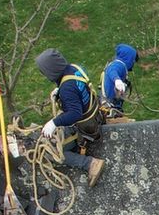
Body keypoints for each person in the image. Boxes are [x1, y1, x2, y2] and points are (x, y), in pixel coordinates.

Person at [35, 48, 106, 187]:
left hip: (84, 128)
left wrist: (54, 123)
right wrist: (60, 91)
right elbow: (77, 88)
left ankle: (90, 163)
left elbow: (75, 114)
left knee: (50, 152)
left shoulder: (67, 88)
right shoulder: (74, 68)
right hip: (94, 114)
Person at [99, 43, 138, 119]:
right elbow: (112, 71)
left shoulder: (117, 64)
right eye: (133, 60)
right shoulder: (119, 65)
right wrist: (117, 80)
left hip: (110, 105)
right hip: (110, 107)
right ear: (128, 58)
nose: (133, 62)